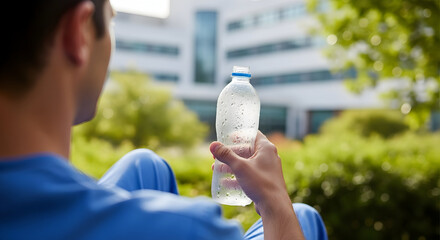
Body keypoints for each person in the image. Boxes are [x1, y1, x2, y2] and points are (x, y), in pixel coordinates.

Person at [0, 0, 327, 239]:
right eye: (111, 21)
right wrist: (274, 201)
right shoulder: (190, 229)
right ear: (79, 33)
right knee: (302, 217)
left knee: (145, 165)